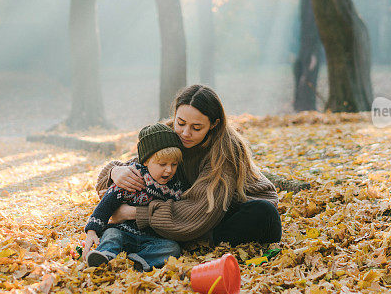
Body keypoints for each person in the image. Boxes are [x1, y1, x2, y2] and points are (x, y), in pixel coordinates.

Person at [97, 84, 282, 246]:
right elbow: (141, 168)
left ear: (213, 124)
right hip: (190, 206)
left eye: (196, 128)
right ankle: (179, 232)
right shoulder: (170, 133)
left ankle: (187, 235)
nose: (185, 133)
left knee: (261, 213)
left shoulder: (226, 150)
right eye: (181, 123)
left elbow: (202, 211)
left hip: (234, 208)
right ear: (175, 114)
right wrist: (115, 171)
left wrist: (132, 213)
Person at [83, 123, 185, 271]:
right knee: (112, 235)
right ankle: (104, 257)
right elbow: (107, 202)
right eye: (162, 164)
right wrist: (92, 230)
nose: (169, 170)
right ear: (146, 161)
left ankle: (139, 261)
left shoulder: (174, 188)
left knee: (172, 248)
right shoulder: (134, 177)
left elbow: (175, 213)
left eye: (174, 164)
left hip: (152, 239)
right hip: (123, 231)